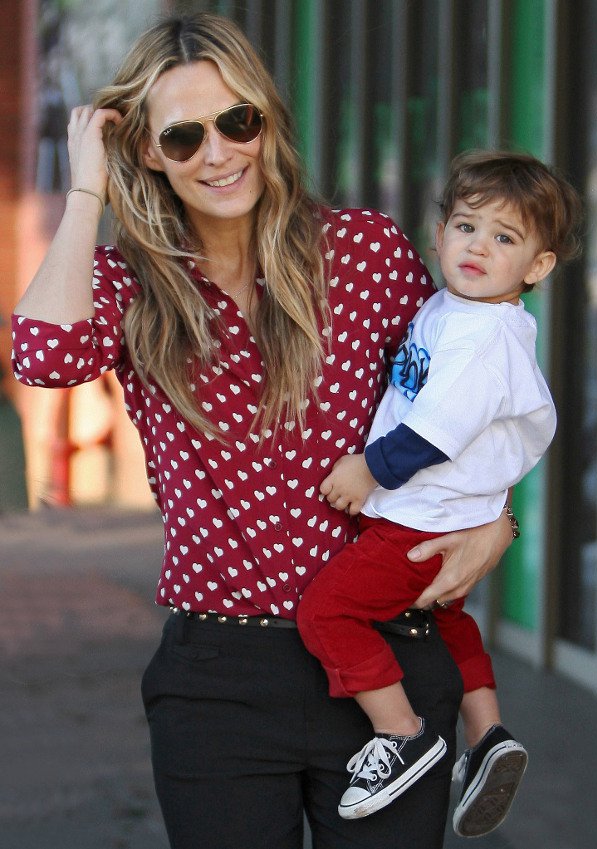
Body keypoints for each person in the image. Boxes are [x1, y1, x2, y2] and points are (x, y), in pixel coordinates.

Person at [11, 14, 514, 849]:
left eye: (236, 121)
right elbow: (44, 352)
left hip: (384, 666)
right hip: (220, 684)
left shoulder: (367, 253)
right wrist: (84, 189)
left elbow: (469, 401)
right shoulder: (132, 287)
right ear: (147, 151)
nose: (218, 153)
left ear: (267, 119)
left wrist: (499, 517)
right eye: (182, 136)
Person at [297, 150, 583, 836]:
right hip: (447, 515)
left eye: (505, 237)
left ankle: (401, 735)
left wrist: (366, 469)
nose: (479, 246)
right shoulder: (454, 308)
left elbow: (433, 433)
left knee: (326, 612)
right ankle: (487, 735)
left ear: (538, 267)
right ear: (438, 236)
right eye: (466, 226)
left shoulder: (485, 338)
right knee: (449, 620)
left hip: (419, 519)